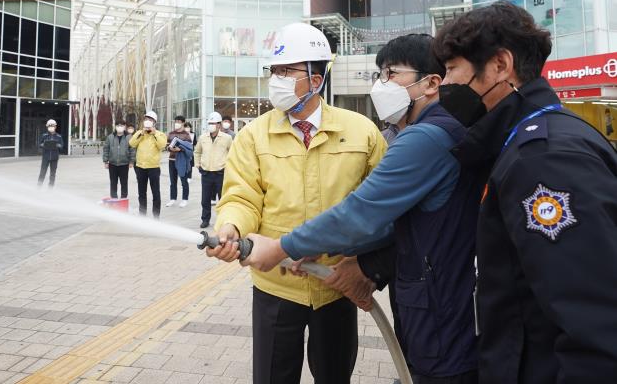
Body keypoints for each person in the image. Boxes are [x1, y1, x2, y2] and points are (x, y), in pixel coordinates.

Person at [242, 34, 483, 384]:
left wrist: (283, 247)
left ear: (432, 82)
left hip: (433, 309)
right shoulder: (254, 134)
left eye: (390, 74)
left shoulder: (417, 137)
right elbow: (396, 221)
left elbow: (363, 213)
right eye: (378, 74)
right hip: (303, 283)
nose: (380, 84)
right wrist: (354, 259)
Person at [431, 2, 617, 383]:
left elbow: (594, 328)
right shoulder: (524, 142)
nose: (444, 84)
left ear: (500, 65)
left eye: (452, 69)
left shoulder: (544, 161)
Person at [204, 22, 386, 384]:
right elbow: (242, 194)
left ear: (316, 79)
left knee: (335, 376)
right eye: (275, 71)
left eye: (288, 71)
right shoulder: (253, 135)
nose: (278, 79)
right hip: (275, 285)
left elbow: (381, 209)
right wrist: (231, 226)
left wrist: (361, 265)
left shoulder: (361, 131)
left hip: (336, 284)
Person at [194, 111, 233, 229]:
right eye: (209, 123)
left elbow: (232, 153)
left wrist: (229, 168)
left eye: (213, 123)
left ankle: (223, 220)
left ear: (219, 125)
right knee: (205, 199)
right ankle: (205, 219)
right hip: (206, 173)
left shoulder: (227, 138)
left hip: (221, 172)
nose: (211, 125)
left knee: (222, 199)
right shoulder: (202, 137)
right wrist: (198, 165)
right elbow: (197, 152)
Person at [129, 110, 168, 218]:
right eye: (146, 119)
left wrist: (154, 133)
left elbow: (162, 145)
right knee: (141, 193)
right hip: (140, 167)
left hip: (153, 168)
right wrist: (141, 133)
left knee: (156, 193)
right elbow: (132, 143)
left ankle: (156, 217)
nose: (147, 121)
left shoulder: (160, 134)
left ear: (154, 122)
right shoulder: (139, 133)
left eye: (150, 120)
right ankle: (142, 215)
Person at [102, 119, 135, 199]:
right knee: (113, 182)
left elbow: (132, 149)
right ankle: (114, 198)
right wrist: (106, 161)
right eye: (118, 125)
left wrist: (131, 161)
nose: (120, 127)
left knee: (124, 182)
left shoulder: (129, 137)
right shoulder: (110, 137)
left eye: (122, 125)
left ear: (125, 127)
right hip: (112, 164)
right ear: (115, 126)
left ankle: (124, 198)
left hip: (124, 164)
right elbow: (106, 149)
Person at [166, 115, 192, 207]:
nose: (177, 123)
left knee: (184, 180)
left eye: (179, 122)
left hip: (182, 161)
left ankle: (185, 199)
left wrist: (180, 149)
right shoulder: (170, 133)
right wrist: (170, 149)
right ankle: (173, 198)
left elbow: (189, 148)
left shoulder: (186, 135)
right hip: (171, 160)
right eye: (176, 121)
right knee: (173, 181)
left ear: (183, 123)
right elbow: (166, 145)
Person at [38, 118, 63, 187]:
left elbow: (62, 146)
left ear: (55, 127)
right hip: (45, 157)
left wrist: (58, 145)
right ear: (47, 127)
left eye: (52, 126)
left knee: (52, 174)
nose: (51, 127)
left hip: (54, 157)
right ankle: (38, 187)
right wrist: (43, 144)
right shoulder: (44, 135)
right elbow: (40, 144)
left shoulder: (59, 136)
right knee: (42, 172)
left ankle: (50, 188)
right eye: (49, 126)